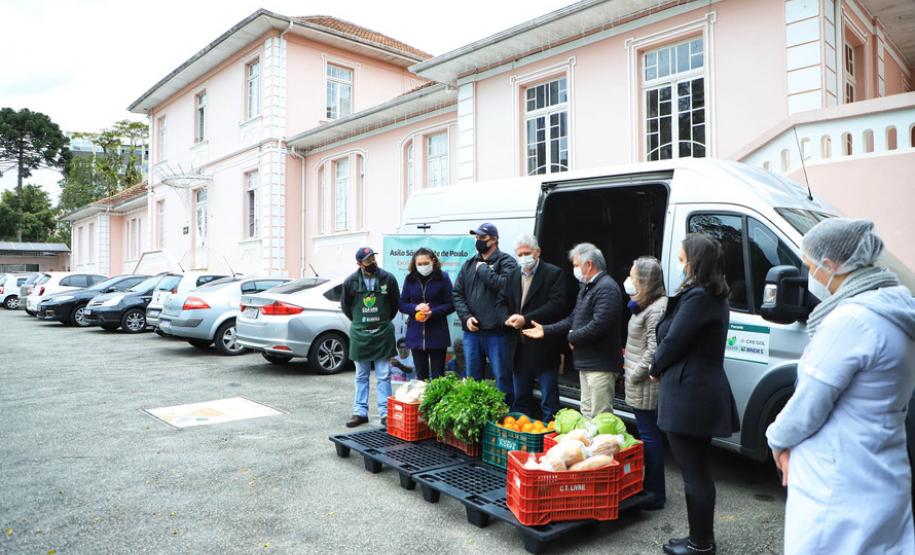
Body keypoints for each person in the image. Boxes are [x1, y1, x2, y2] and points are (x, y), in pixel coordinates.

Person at [765, 218, 915, 554]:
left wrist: (776, 441)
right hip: (884, 467)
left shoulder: (852, 320)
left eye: (810, 266)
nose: (810, 276)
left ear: (830, 265)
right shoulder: (894, 306)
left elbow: (809, 405)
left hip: (840, 481)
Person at [649, 233, 740, 555]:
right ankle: (699, 539)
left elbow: (674, 341)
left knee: (694, 473)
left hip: (691, 394)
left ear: (695, 260)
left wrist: (654, 366)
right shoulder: (709, 294)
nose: (680, 262)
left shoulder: (699, 296)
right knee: (696, 470)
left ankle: (700, 544)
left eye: (683, 257)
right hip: (697, 391)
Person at [522, 243, 622, 418]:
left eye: (576, 265)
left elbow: (599, 325)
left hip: (600, 365)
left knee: (601, 416)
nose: (574, 270)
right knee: (587, 413)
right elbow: (573, 319)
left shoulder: (606, 288)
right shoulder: (587, 287)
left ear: (589, 264)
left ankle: (601, 446)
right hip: (587, 363)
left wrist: (573, 337)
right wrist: (546, 330)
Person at [497, 234, 566, 421]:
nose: (523, 258)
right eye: (519, 254)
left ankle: (549, 435)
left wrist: (525, 318)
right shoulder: (512, 275)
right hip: (518, 346)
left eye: (527, 253)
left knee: (548, 399)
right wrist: (507, 318)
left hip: (544, 346)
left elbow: (556, 305)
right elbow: (501, 302)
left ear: (537, 252)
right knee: (521, 397)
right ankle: (523, 432)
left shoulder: (553, 273)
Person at [453, 223, 518, 403]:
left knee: (502, 378)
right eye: (477, 238)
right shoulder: (469, 264)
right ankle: (476, 417)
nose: (478, 241)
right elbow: (457, 293)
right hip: (472, 333)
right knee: (473, 379)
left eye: (482, 238)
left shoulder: (507, 262)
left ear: (495, 239)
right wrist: (466, 317)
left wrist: (483, 269)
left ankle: (506, 417)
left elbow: (505, 286)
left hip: (497, 332)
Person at [622, 256, 668, 511]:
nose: (629, 281)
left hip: (645, 384)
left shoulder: (656, 308)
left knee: (649, 436)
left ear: (645, 281)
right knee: (647, 434)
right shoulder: (644, 305)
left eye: (633, 276)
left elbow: (654, 350)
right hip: (639, 381)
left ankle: (654, 493)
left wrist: (634, 374)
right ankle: (650, 488)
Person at [340, 247, 400, 428]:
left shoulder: (388, 278)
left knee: (384, 375)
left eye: (373, 258)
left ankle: (385, 413)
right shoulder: (350, 281)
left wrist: (381, 321)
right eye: (368, 260)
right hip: (360, 334)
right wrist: (361, 323)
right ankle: (360, 413)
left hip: (382, 332)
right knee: (361, 375)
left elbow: (394, 304)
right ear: (359, 263)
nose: (372, 262)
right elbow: (346, 306)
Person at [398, 247, 455, 380]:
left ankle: (437, 401)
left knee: (438, 378)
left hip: (438, 334)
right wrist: (416, 307)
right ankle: (422, 401)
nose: (423, 266)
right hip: (415, 335)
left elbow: (451, 304)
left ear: (433, 261)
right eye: (420, 264)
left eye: (425, 263)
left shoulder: (443, 277)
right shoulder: (410, 279)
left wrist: (432, 312)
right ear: (415, 264)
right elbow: (402, 304)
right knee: (421, 377)